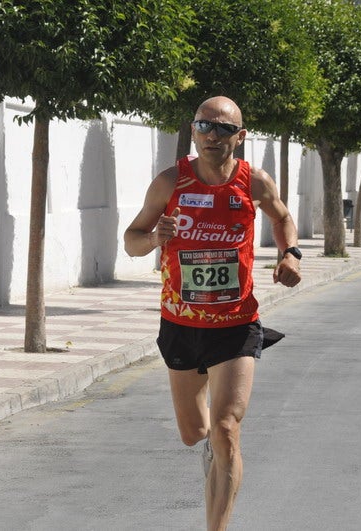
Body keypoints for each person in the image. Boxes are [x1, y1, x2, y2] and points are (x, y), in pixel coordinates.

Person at [123, 96, 301, 531]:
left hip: (236, 322)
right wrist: (154, 240)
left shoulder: (253, 181)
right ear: (193, 130)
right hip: (181, 323)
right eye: (205, 126)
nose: (212, 136)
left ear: (240, 137)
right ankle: (214, 455)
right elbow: (132, 238)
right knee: (195, 433)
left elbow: (282, 218)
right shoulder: (171, 182)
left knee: (226, 430)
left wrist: (290, 253)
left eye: (223, 129)